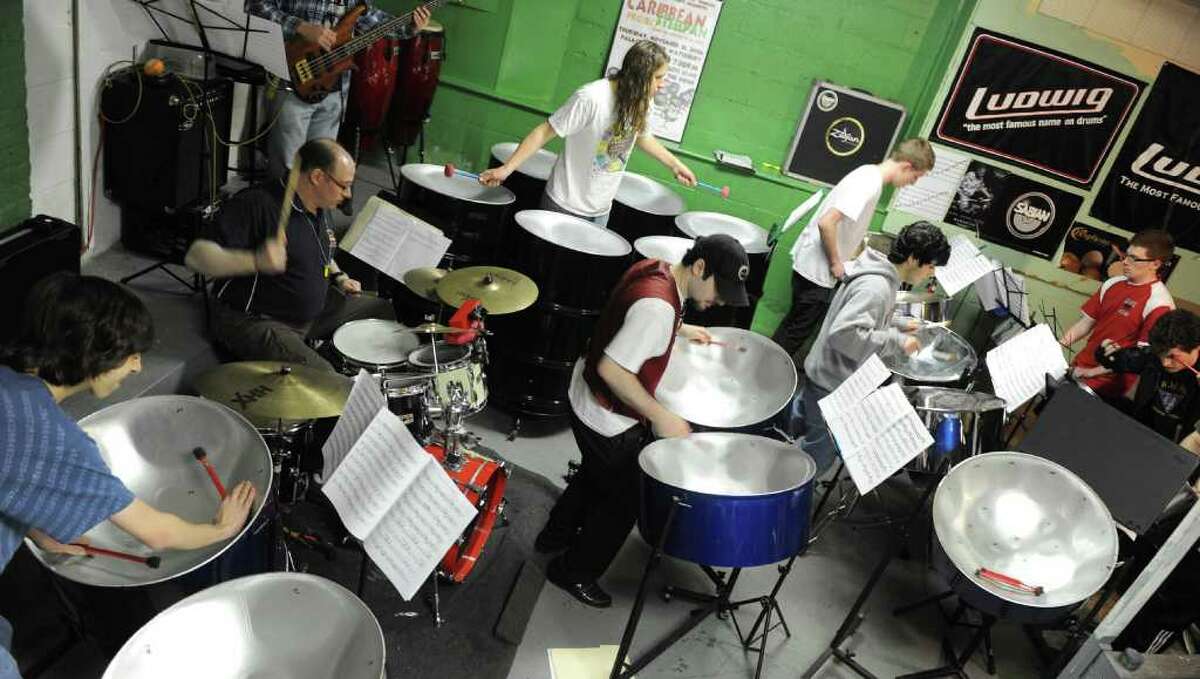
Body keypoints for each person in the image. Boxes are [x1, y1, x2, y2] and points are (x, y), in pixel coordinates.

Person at [0, 274, 257, 677]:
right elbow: (157, 533)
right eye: (130, 354)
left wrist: (37, 529)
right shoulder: (51, 438)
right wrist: (221, 529)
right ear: (91, 352)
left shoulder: (9, 385)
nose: (137, 366)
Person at [535, 234, 750, 607]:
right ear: (699, 268)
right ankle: (573, 572)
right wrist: (661, 416)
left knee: (594, 474)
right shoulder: (658, 309)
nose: (720, 301)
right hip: (604, 416)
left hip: (583, 389)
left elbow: (633, 313)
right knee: (624, 499)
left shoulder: (658, 268)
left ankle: (555, 535)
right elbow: (613, 369)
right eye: (720, 290)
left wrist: (680, 329)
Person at [185, 138, 394, 372]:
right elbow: (196, 257)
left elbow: (320, 248)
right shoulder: (257, 204)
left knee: (381, 312)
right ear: (317, 177)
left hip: (313, 312)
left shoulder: (320, 204)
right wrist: (256, 261)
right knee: (325, 379)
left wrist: (339, 277)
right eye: (343, 186)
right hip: (257, 321)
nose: (348, 194)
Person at [478, 40, 697, 226]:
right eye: (658, 77)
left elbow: (641, 136)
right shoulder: (591, 98)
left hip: (600, 211)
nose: (662, 84)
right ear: (640, 77)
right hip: (564, 205)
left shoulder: (640, 101)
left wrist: (675, 165)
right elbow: (545, 131)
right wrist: (506, 169)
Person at [800, 221, 951, 473]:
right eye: (931, 265)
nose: (931, 273)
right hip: (828, 385)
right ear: (914, 259)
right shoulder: (877, 287)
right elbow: (845, 334)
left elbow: (866, 316)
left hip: (824, 375)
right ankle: (787, 491)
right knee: (815, 461)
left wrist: (899, 322)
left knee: (804, 442)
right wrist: (898, 340)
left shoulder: (880, 276)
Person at [772, 139, 935, 361]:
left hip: (816, 268)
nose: (912, 183)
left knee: (794, 329)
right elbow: (826, 223)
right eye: (915, 177)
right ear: (906, 166)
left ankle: (767, 370)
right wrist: (836, 263)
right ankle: (766, 374)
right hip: (817, 271)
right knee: (794, 334)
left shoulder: (869, 174)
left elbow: (845, 225)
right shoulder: (868, 183)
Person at [246, 1, 431, 178]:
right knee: (286, 170)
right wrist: (300, 27)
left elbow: (371, 19)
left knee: (319, 170)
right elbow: (255, 5)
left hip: (334, 90)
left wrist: (411, 26)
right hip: (291, 80)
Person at [1060, 229, 1175, 400]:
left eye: (1134, 258)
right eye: (1126, 255)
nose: (1125, 262)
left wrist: (1089, 372)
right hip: (1079, 367)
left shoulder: (1160, 304)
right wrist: (1056, 346)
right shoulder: (1113, 283)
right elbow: (1085, 323)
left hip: (1106, 384)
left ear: (1155, 264)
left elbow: (1139, 359)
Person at [1095, 309, 1200, 452]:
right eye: (1161, 354)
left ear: (1196, 348)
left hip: (1182, 450)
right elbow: (1122, 359)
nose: (1165, 363)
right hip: (1143, 438)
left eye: (1172, 356)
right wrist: (1105, 354)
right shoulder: (1153, 358)